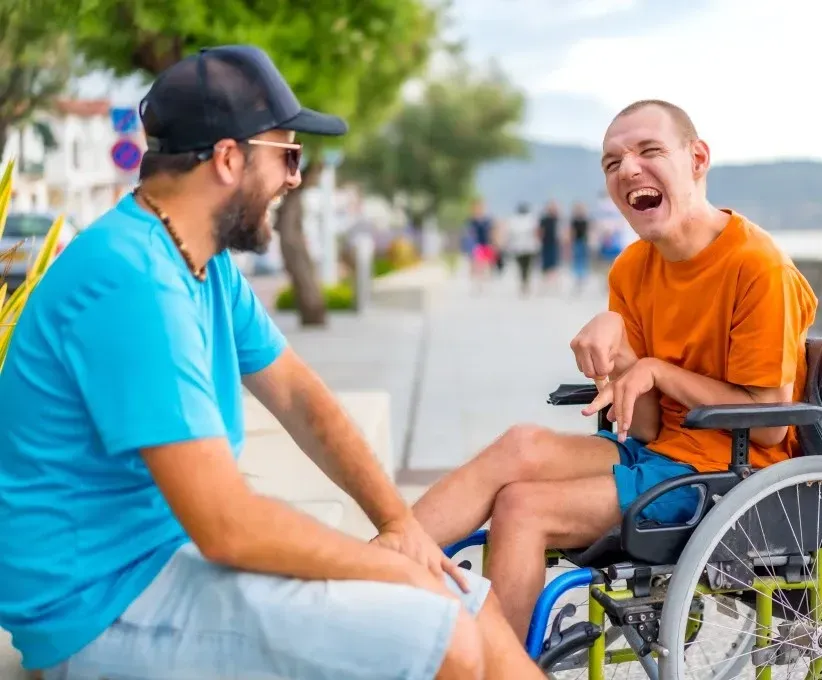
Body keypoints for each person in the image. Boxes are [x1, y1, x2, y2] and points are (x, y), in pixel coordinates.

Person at [0, 45, 543, 680]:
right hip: (99, 608)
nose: (294, 178)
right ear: (229, 158)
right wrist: (390, 569)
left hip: (163, 563)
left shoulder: (200, 261)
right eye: (288, 154)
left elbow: (299, 397)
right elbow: (227, 526)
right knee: (443, 634)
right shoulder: (132, 281)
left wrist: (401, 526)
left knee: (466, 601)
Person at [410, 99, 819, 640]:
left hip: (731, 475)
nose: (628, 169)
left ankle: (498, 664)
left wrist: (656, 370)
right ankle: (365, 571)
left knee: (523, 507)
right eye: (612, 162)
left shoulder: (758, 267)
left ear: (697, 159)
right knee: (518, 445)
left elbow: (769, 426)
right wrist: (622, 351)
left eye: (650, 151)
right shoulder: (631, 267)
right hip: (658, 452)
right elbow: (645, 426)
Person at [503, 202, 540, 297]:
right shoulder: (530, 220)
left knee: (523, 267)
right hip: (524, 247)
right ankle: (524, 283)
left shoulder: (517, 220)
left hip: (523, 247)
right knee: (525, 267)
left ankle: (524, 283)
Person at [568, 201, 591, 292]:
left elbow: (588, 231)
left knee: (583, 259)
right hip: (577, 242)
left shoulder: (585, 221)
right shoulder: (574, 221)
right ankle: (577, 276)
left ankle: (583, 275)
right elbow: (572, 232)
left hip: (584, 242)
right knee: (577, 259)